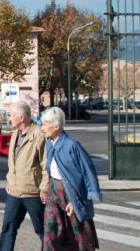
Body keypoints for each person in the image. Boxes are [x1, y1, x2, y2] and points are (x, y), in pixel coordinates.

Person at [40, 106, 101, 251]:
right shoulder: (49, 143)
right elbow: (49, 170)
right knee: (50, 232)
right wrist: (45, 188)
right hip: (54, 192)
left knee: (79, 234)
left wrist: (76, 201)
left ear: (56, 126)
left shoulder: (72, 145)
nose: (42, 128)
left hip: (71, 192)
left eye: (45, 124)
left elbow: (88, 172)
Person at [0, 102, 49, 251]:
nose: (10, 118)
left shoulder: (39, 134)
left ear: (21, 118)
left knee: (42, 229)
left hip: (32, 192)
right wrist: (10, 180)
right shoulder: (15, 134)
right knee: (8, 227)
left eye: (12, 115)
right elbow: (13, 161)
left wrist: (44, 188)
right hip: (14, 191)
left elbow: (46, 164)